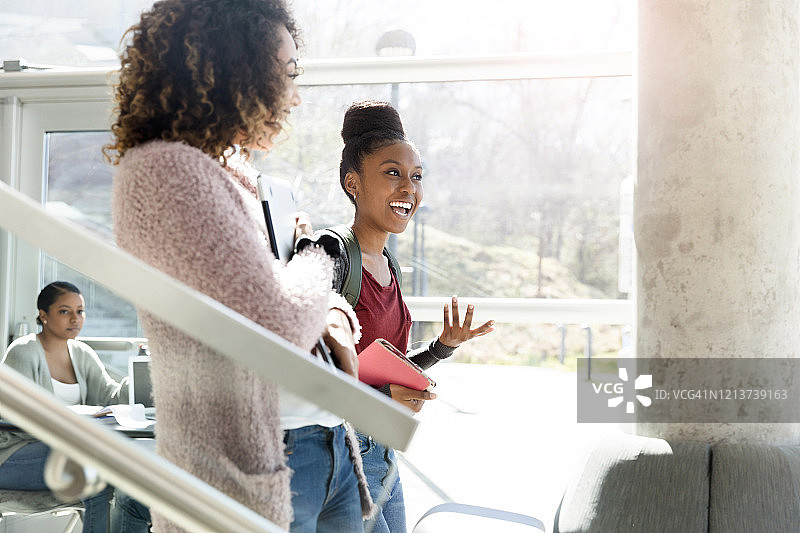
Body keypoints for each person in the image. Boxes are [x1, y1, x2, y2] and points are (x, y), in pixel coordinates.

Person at [106, 1, 369, 531]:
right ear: (235, 69)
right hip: (241, 475)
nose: (293, 94)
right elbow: (281, 321)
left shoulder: (218, 170)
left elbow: (268, 303)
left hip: (290, 452)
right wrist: (317, 256)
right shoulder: (170, 170)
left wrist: (307, 287)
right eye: (286, 72)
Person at [299, 101, 496, 532]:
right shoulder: (332, 254)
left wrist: (443, 348)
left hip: (383, 451)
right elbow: (309, 373)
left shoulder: (389, 264)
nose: (409, 188)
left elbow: (389, 366)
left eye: (416, 176)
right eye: (392, 173)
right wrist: (383, 398)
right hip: (346, 453)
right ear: (353, 182)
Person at [0, 281, 128, 533]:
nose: (75, 318)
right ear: (43, 315)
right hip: (12, 454)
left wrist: (138, 376)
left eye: (80, 311)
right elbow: (14, 416)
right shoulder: (23, 352)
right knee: (94, 473)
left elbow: (110, 397)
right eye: (65, 311)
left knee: (117, 474)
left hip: (64, 449)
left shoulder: (82, 353)